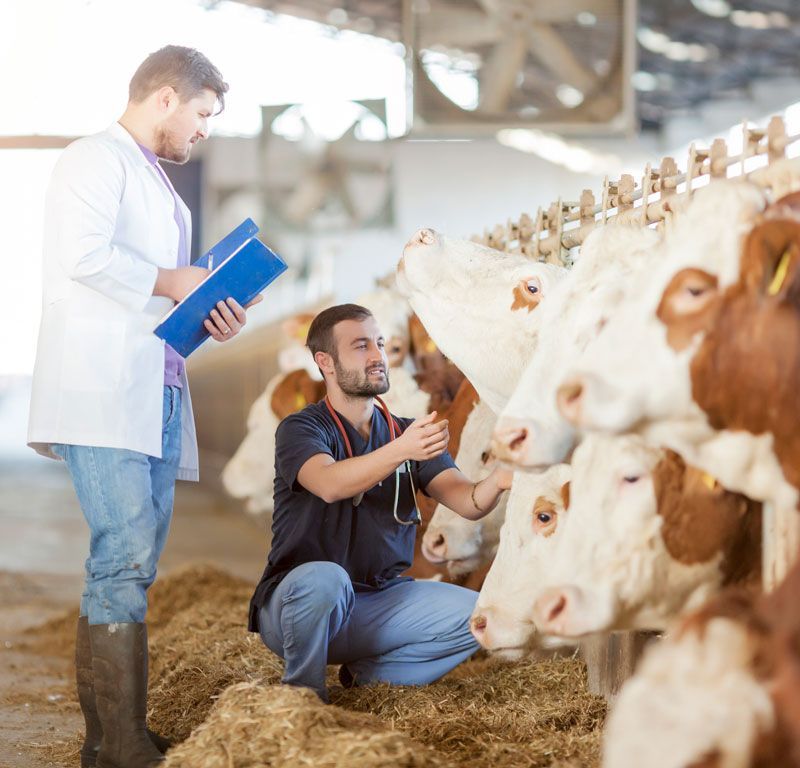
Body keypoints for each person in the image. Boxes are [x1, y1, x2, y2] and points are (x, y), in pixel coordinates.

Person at [27, 46, 259, 768]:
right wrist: (174, 279)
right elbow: (83, 256)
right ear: (165, 98)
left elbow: (160, 297)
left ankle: (109, 738)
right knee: (122, 557)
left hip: (150, 387)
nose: (204, 130)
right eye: (202, 113)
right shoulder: (93, 159)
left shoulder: (153, 177)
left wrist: (211, 311)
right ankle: (119, 740)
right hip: (102, 389)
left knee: (132, 564)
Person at [248, 303, 512, 702]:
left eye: (380, 343)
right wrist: (402, 450)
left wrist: (502, 478)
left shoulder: (404, 432)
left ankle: (368, 680)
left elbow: (468, 501)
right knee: (326, 579)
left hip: (377, 602)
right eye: (361, 346)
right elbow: (329, 484)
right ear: (326, 362)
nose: (377, 356)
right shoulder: (301, 428)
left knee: (477, 615)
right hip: (298, 607)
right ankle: (303, 696)